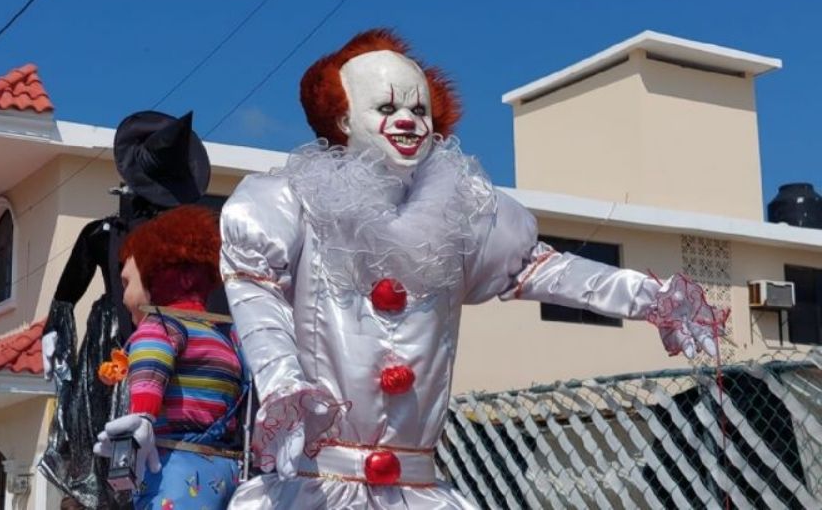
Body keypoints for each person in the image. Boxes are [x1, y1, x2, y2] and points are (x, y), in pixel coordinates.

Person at [220, 29, 727, 509]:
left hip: (416, 489)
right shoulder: (295, 203)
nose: (407, 121)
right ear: (343, 118)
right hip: (320, 490)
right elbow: (255, 289)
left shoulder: (462, 216)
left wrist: (651, 298)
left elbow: (546, 270)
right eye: (386, 106)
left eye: (418, 109)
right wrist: (283, 381)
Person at [38, 111, 212, 508]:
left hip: (166, 344)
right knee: (101, 435)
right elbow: (67, 292)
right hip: (108, 345)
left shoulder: (184, 246)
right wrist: (54, 332)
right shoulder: (101, 234)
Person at [94, 205, 249, 510]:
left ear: (160, 275)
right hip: (229, 470)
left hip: (174, 468)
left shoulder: (163, 325)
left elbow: (152, 361)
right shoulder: (226, 336)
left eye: (127, 282)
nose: (123, 296)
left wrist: (142, 414)